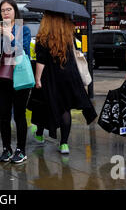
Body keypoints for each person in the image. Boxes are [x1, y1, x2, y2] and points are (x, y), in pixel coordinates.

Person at [33, 11, 97, 154]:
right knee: (64, 109)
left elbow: (41, 61)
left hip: (50, 77)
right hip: (69, 77)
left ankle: (39, 133)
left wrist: (37, 79)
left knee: (43, 104)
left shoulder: (43, 37)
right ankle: (64, 144)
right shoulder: (68, 35)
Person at [0, 0, 31, 163]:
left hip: (19, 77)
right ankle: (6, 148)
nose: (5, 13)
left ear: (15, 11)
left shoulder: (25, 29)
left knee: (20, 116)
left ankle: (21, 150)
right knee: (4, 116)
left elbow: (23, 52)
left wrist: (10, 36)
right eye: (3, 10)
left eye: (9, 9)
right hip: (4, 79)